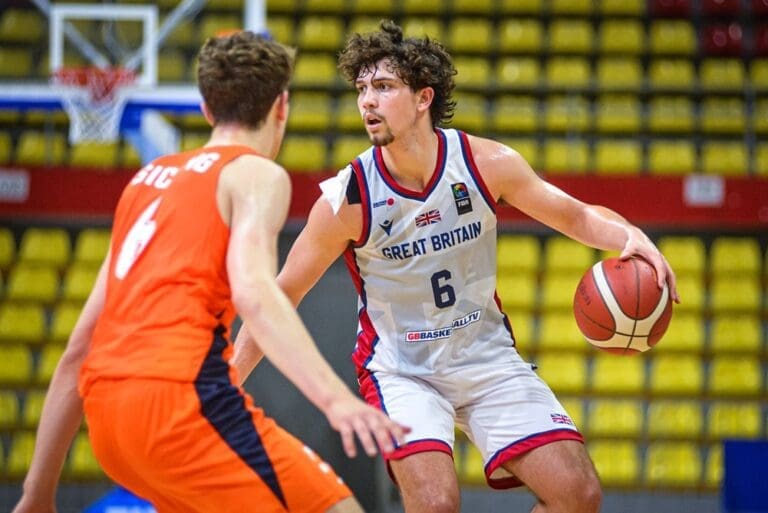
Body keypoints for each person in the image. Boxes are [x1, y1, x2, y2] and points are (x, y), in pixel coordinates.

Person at [232, 20, 680, 513]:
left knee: (579, 496)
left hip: (485, 357)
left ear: (424, 98)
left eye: (383, 87)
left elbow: (576, 215)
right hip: (402, 370)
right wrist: (227, 382)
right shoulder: (349, 198)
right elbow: (281, 295)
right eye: (362, 88)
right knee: (436, 505)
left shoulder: (486, 162)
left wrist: (630, 237)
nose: (367, 102)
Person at [13, 31, 408, 513]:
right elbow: (256, 293)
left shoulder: (145, 181)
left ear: (205, 107)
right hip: (180, 405)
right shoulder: (255, 174)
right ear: (281, 105)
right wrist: (334, 400)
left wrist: (37, 492)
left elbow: (79, 347)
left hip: (107, 421)